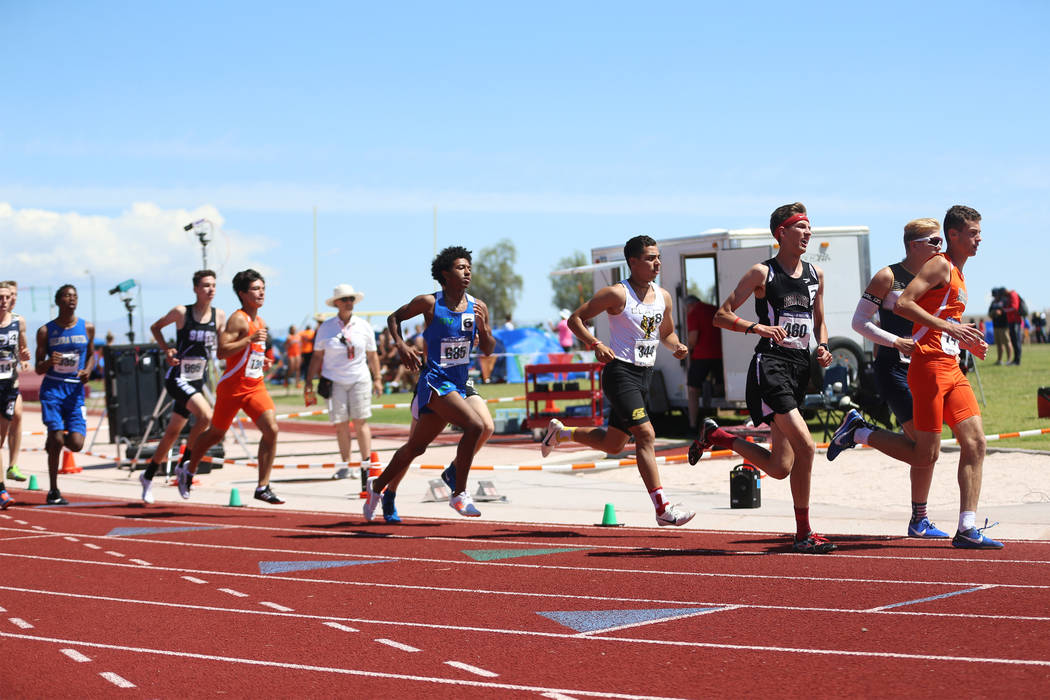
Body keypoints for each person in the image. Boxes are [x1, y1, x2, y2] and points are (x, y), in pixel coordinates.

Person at [828, 205, 1002, 549]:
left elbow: (942, 321)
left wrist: (966, 340)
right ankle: (861, 432)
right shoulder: (930, 267)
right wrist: (916, 336)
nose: (980, 239)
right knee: (925, 455)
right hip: (918, 368)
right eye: (974, 233)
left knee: (976, 443)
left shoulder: (957, 273)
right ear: (951, 237)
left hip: (950, 367)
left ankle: (966, 527)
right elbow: (903, 305)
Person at [689, 203, 836, 553]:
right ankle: (803, 534)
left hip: (800, 368)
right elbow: (721, 316)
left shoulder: (816, 274)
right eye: (800, 227)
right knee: (806, 447)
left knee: (780, 466)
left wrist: (824, 346)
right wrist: (758, 327)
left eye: (810, 227)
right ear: (781, 233)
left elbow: (818, 321)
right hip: (770, 366)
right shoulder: (762, 273)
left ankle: (718, 435)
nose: (808, 233)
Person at [539, 235, 695, 527]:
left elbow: (666, 334)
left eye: (658, 257)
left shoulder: (663, 297)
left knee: (613, 444)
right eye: (650, 258)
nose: (657, 262)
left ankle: (560, 434)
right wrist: (595, 343)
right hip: (620, 372)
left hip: (645, 375)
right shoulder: (616, 294)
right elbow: (575, 319)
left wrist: (676, 346)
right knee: (646, 435)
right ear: (633, 262)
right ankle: (662, 508)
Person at [362, 246, 495, 521]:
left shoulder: (477, 306)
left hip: (459, 384)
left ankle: (376, 487)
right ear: (445, 274)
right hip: (435, 381)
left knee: (415, 448)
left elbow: (488, 350)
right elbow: (393, 318)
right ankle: (458, 493)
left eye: (469, 267)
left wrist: (484, 329)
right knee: (476, 425)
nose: (467, 271)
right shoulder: (430, 303)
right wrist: (401, 346)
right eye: (461, 267)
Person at [848, 218, 951, 538]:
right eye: (934, 242)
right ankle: (860, 432)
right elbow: (858, 322)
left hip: (928, 368)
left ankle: (859, 431)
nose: (941, 248)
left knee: (927, 448)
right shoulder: (887, 277)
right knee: (926, 447)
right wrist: (895, 341)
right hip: (894, 367)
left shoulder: (937, 275)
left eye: (941, 241)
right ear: (914, 245)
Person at [175, 269, 284, 505]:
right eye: (256, 289)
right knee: (215, 434)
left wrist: (260, 358)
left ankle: (263, 486)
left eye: (263, 288)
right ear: (242, 294)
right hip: (233, 388)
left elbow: (248, 353)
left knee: (272, 430)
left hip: (255, 387)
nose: (261, 292)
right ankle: (189, 467)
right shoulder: (238, 318)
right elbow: (222, 351)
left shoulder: (260, 320)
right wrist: (249, 341)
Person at [138, 270, 226, 504]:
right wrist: (167, 349)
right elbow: (156, 327)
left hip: (198, 379)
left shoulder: (219, 316)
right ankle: (186, 463)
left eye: (214, 285)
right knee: (206, 415)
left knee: (172, 433)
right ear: (196, 289)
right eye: (206, 285)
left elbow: (223, 346)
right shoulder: (182, 313)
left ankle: (147, 476)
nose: (211, 290)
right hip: (178, 378)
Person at [304, 284, 382, 478]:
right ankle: (346, 464)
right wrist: (308, 381)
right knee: (340, 424)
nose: (349, 303)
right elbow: (317, 356)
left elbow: (373, 356)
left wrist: (378, 378)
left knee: (360, 421)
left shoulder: (363, 326)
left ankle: (365, 465)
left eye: (352, 299)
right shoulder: (326, 327)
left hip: (359, 378)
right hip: (334, 380)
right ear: (336, 303)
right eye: (345, 299)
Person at [34, 284, 95, 505]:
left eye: (75, 296)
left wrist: (87, 371)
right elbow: (38, 367)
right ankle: (53, 490)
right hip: (53, 389)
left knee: (77, 443)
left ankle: (53, 442)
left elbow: (91, 356)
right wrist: (51, 361)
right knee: (58, 437)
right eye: (67, 296)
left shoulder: (87, 327)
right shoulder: (45, 331)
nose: (72, 299)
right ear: (58, 301)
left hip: (75, 392)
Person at [0, 283, 31, 508]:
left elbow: (22, 350)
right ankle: (2, 490)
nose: (4, 301)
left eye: (7, 297)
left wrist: (25, 357)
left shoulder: (18, 321)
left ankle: (11, 468)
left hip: (9, 386)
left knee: (1, 439)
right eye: (0, 297)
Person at [685, 294, 723, 433]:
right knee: (719, 386)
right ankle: (715, 416)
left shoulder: (694, 312)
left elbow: (693, 338)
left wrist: (687, 347)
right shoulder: (714, 309)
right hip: (720, 354)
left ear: (689, 306)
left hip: (702, 356)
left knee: (693, 389)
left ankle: (693, 424)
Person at [988, 288, 1012, 365]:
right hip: (996, 326)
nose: (994, 297)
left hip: (1004, 325)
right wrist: (993, 313)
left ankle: (1009, 360)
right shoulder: (993, 302)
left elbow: (1007, 311)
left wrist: (1000, 312)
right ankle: (999, 360)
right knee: (998, 344)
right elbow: (989, 313)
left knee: (1007, 342)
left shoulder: (1004, 301)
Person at [1004, 288, 1022, 365]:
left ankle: (1017, 361)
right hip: (1012, 321)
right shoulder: (1010, 295)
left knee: (1016, 341)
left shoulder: (1013, 294)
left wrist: (1005, 310)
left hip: (1015, 321)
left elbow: (1015, 307)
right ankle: (1015, 360)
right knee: (1014, 341)